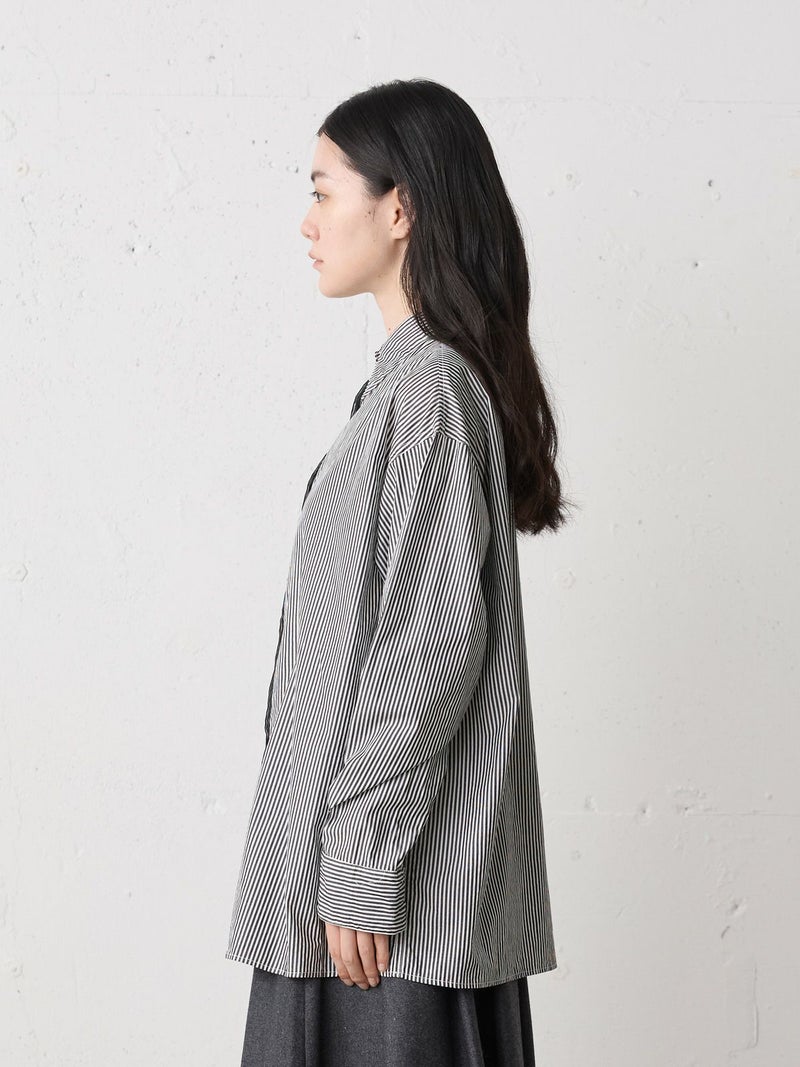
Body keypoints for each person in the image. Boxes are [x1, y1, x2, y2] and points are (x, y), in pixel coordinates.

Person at [226, 77, 573, 1066]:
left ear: (399, 207)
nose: (307, 221)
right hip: (361, 900)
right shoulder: (404, 386)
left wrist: (359, 860)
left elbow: (428, 649)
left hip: (388, 918)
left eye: (323, 190)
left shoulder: (430, 393)